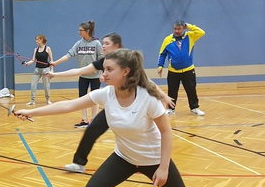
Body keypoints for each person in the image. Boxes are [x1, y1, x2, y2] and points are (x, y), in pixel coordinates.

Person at [14, 49, 246, 187]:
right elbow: (68, 106)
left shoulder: (147, 99)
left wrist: (163, 168)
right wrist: (30, 111)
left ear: (125, 71)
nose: (104, 74)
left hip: (154, 160)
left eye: (109, 70)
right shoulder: (106, 95)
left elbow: (166, 132)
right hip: (124, 158)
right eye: (103, 69)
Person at [46, 33, 174, 173]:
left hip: (132, 107)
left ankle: (143, 159)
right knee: (92, 130)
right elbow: (80, 71)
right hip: (114, 105)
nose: (103, 46)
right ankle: (79, 163)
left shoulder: (128, 61)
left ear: (116, 45)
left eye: (107, 43)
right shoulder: (104, 62)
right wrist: (56, 74)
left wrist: (163, 96)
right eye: (103, 43)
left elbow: (147, 81)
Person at [51, 20, 103, 128]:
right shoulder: (79, 43)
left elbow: (102, 60)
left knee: (94, 98)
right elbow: (69, 55)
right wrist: (55, 63)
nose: (79, 32)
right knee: (82, 98)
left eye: (81, 30)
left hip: (95, 76)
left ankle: (93, 120)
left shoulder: (97, 43)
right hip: (83, 75)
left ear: (87, 31)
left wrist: (103, 73)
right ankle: (84, 120)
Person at [157, 20, 206, 115]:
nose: (176, 31)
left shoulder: (190, 36)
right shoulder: (167, 39)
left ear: (183, 28)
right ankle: (171, 109)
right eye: (175, 29)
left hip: (188, 70)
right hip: (173, 71)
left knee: (191, 89)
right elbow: (162, 54)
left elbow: (201, 32)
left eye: (179, 29)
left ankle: (194, 108)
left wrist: (189, 26)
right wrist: (160, 66)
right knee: (172, 91)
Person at [22, 34, 53, 105]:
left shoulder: (48, 48)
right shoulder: (36, 49)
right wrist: (27, 63)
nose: (36, 41)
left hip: (46, 70)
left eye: (37, 39)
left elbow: (51, 61)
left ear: (41, 40)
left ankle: (48, 99)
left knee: (46, 86)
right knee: (33, 85)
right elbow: (33, 60)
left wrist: (52, 71)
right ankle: (32, 100)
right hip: (37, 70)